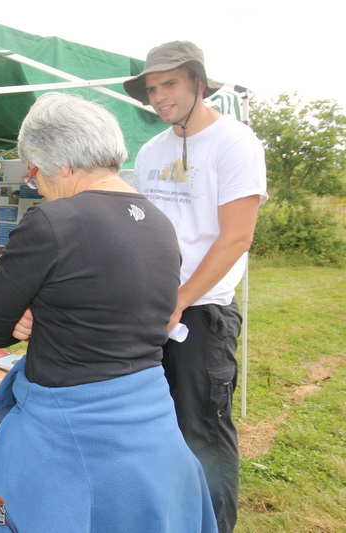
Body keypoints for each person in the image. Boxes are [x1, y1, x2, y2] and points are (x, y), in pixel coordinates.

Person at [0, 92, 217, 532]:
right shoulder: (160, 223)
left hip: (72, 433)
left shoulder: (52, 221)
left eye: (33, 167)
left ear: (60, 163)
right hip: (150, 425)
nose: (34, 180)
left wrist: (27, 310)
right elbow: (121, 309)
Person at [124, 41, 268, 533]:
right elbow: (145, 228)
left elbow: (237, 237)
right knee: (156, 428)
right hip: (152, 308)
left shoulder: (235, 142)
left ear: (198, 84)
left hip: (202, 313)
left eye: (170, 84)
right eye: (152, 88)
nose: (159, 96)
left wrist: (180, 301)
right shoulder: (150, 151)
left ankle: (215, 526)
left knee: (203, 432)